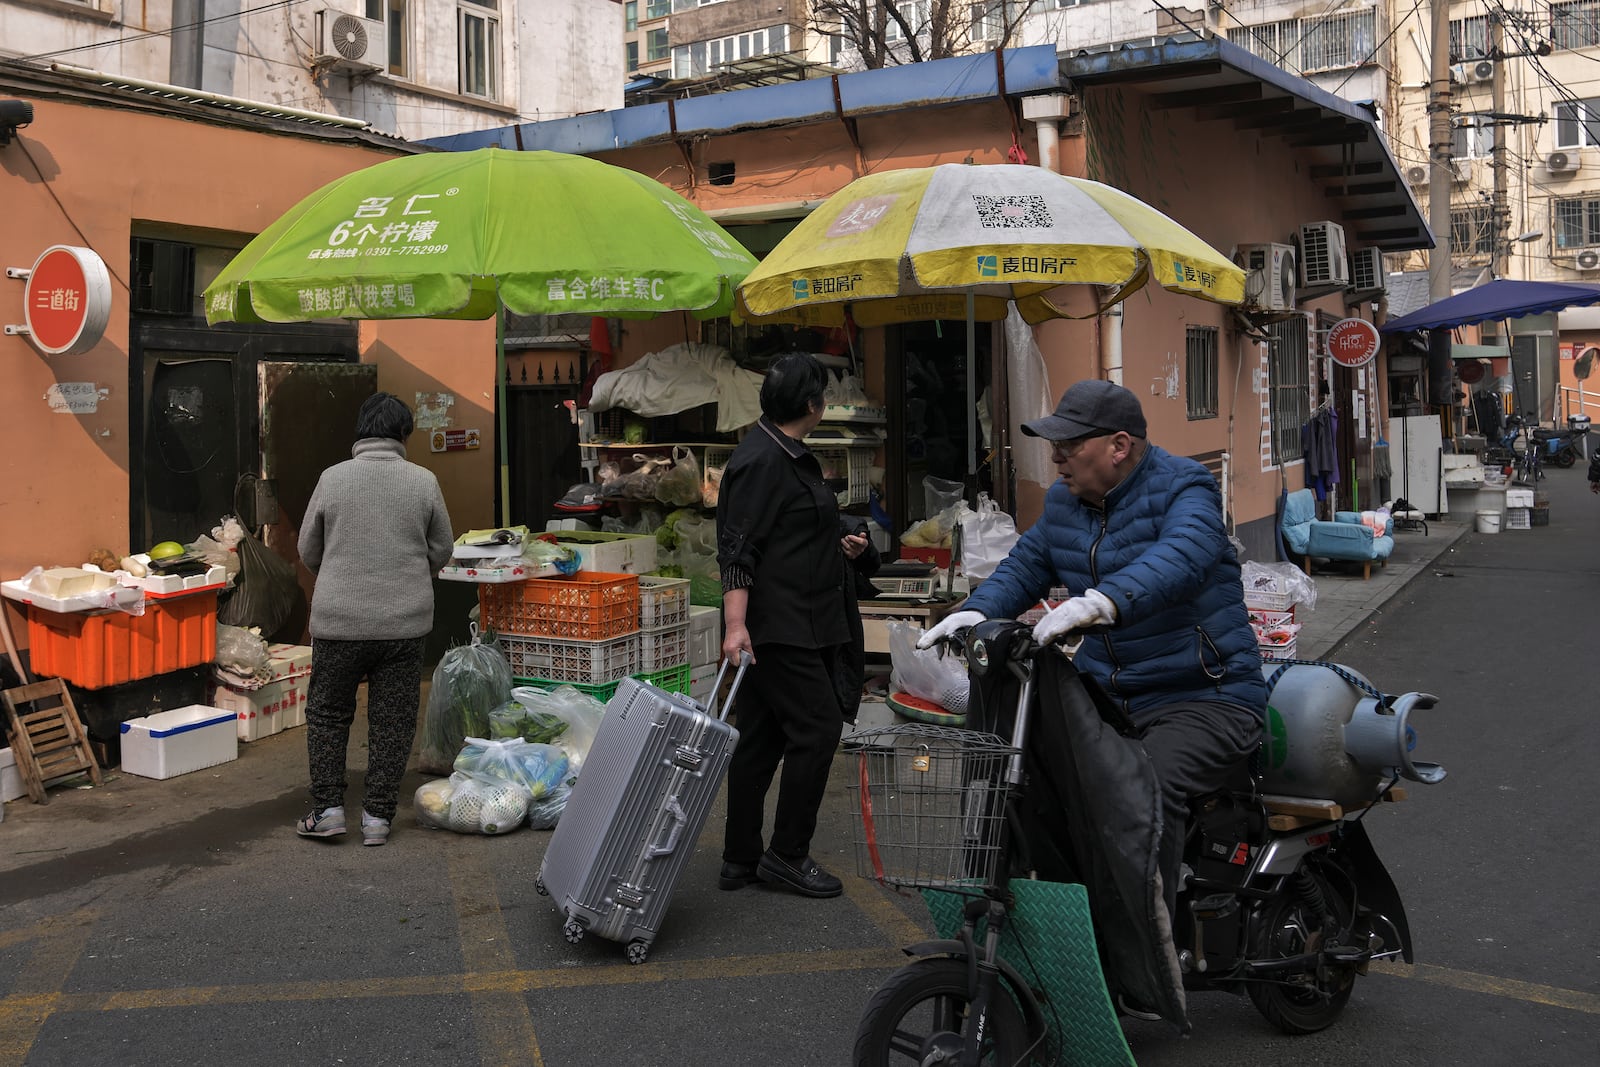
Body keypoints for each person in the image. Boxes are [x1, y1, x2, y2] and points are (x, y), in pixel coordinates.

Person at [919, 379, 1265, 927]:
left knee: (1143, 789)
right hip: (1108, 696)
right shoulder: (1066, 502)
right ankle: (1067, 921)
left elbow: (1184, 555)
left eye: (1069, 445)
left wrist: (1103, 602)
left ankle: (1147, 940)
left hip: (1206, 695)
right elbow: (1027, 565)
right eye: (1054, 445)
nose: (1056, 457)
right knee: (1031, 778)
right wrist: (976, 610)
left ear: (1119, 446)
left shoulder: (1187, 488)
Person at [716, 353, 879, 899]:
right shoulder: (761, 460)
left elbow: (786, 534)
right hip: (781, 626)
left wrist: (841, 545)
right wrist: (735, 625)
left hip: (799, 617)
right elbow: (739, 548)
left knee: (762, 738)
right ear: (814, 406)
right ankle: (787, 854)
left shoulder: (783, 452)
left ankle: (740, 858)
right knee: (817, 728)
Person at [295, 392, 454, 846]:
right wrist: (407, 574)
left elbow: (309, 548)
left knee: (328, 714)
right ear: (404, 433)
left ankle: (326, 811)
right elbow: (442, 548)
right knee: (394, 719)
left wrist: (340, 574)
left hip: (337, 622)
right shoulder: (423, 481)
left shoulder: (332, 478)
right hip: (404, 624)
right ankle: (378, 819)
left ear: (361, 431)